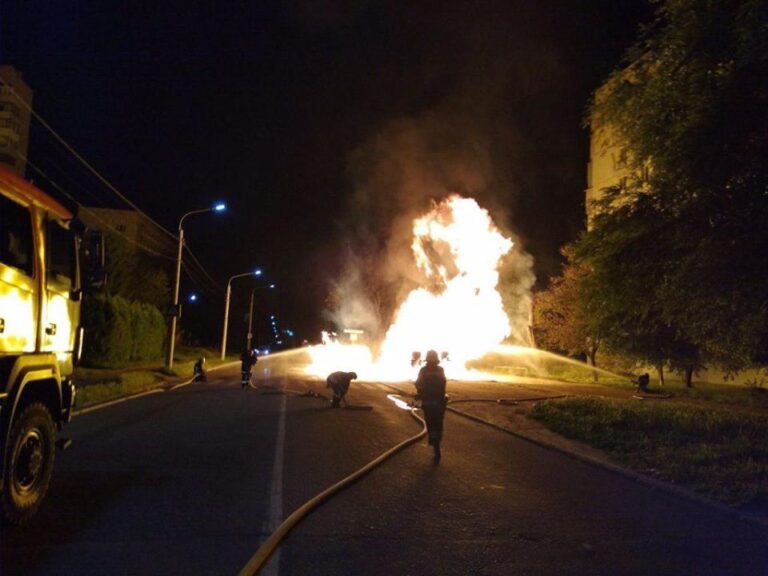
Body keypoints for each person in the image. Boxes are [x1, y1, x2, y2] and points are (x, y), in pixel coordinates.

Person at [415, 349, 447, 464]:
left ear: (427, 359)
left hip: (428, 403)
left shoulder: (424, 370)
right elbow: (443, 384)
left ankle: (435, 446)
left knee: (431, 424)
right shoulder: (440, 370)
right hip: (439, 403)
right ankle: (437, 446)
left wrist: (419, 394)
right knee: (438, 424)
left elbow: (418, 383)